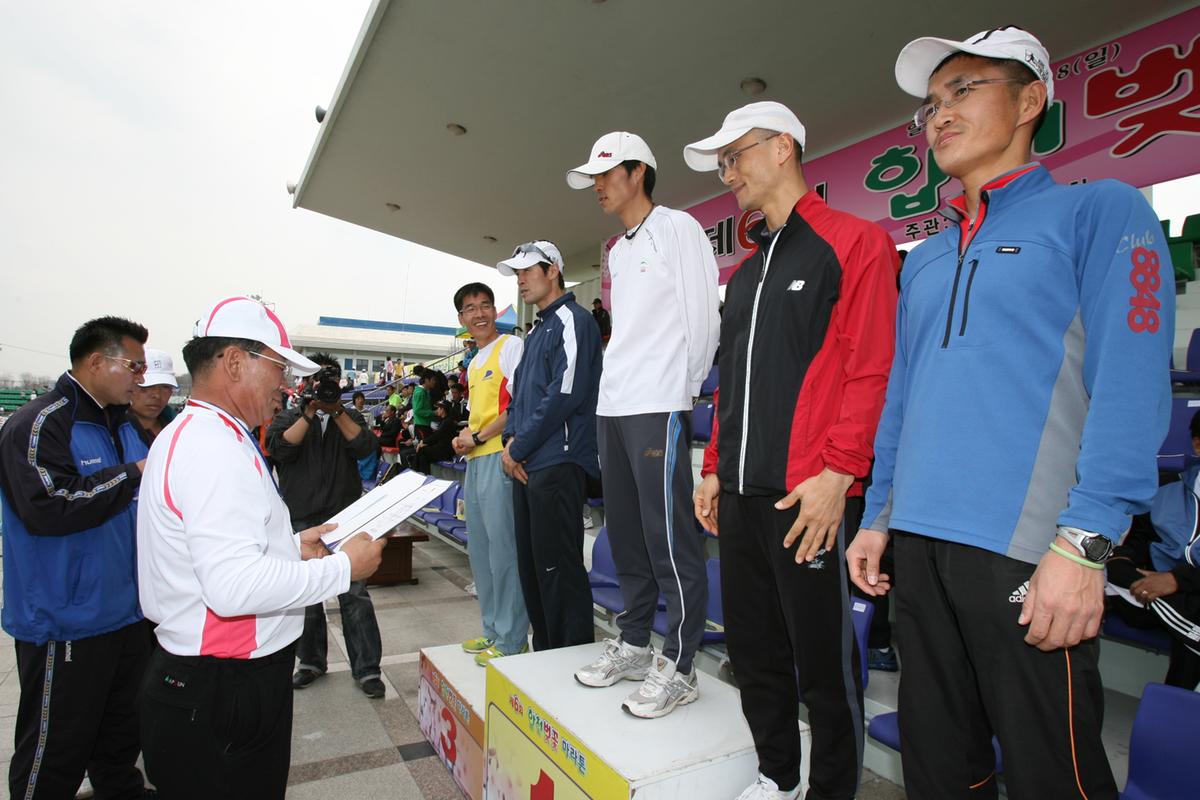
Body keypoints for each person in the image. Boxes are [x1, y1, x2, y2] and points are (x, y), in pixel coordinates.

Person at [846, 27, 1173, 799]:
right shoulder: (923, 256)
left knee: (1049, 775)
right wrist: (878, 517)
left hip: (1032, 552)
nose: (939, 116)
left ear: (1031, 101)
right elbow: (903, 397)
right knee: (942, 769)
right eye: (931, 105)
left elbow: (1131, 387)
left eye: (964, 91)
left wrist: (1085, 545)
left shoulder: (1100, 212)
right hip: (920, 546)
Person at [686, 101, 899, 800]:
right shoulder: (743, 275)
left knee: (825, 666)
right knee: (754, 654)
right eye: (722, 163)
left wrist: (839, 474)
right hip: (743, 498)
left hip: (809, 497)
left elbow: (871, 368)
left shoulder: (854, 242)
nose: (729, 173)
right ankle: (778, 778)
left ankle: (832, 790)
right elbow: (731, 382)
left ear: (782, 148)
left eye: (736, 155)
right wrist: (714, 467)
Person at [137, 297, 384, 799]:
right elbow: (232, 588)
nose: (287, 385)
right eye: (279, 368)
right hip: (222, 684)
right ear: (234, 361)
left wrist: (295, 547)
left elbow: (223, 549)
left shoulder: (197, 432)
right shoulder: (212, 448)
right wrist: (342, 567)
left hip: (212, 680)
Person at [566, 131, 721, 718]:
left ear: (638, 171)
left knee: (669, 538)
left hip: (660, 401)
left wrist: (683, 387)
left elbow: (704, 314)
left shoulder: (678, 227)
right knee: (626, 533)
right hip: (616, 403)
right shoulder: (617, 248)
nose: (598, 186)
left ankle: (680, 665)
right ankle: (633, 642)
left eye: (606, 174)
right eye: (594, 177)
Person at [0, 316, 155, 800]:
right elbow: (48, 508)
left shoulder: (126, 427)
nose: (141, 378)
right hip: (65, 620)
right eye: (134, 365)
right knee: (54, 751)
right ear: (95, 361)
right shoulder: (40, 424)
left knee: (119, 739)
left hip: (127, 614)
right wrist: (132, 474)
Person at [498, 240, 602, 652]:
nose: (521, 279)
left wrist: (517, 447)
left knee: (560, 570)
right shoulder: (539, 328)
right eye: (517, 273)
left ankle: (569, 656)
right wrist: (510, 445)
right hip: (528, 463)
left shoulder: (574, 320)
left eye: (528, 270)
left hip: (557, 464)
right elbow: (521, 400)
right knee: (533, 569)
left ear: (553, 270)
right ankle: (546, 657)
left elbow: (566, 392)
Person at [265, 353, 386, 699]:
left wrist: (335, 410)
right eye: (317, 378)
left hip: (343, 517)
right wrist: (308, 411)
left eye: (329, 378)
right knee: (307, 596)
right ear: (305, 382)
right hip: (301, 516)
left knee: (355, 593)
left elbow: (366, 448)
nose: (324, 384)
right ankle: (310, 662)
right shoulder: (287, 416)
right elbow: (281, 450)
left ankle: (367, 669)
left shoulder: (348, 416)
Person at [449, 282, 532, 665]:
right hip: (475, 461)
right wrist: (465, 438)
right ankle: (493, 632)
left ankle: (513, 638)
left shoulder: (510, 347)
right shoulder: (475, 360)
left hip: (499, 457)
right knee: (481, 551)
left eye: (485, 306)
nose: (479, 314)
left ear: (495, 311)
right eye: (470, 309)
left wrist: (478, 435)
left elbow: (518, 405)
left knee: (504, 553)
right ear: (462, 318)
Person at [1104, 412, 1200, 689]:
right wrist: (1125, 558)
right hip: (1146, 590)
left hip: (1185, 592)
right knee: (1108, 569)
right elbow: (1140, 539)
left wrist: (1175, 581)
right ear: (1197, 444)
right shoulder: (1166, 486)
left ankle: (1177, 709)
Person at [129, 346, 179, 446]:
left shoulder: (182, 429)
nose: (157, 395)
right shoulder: (110, 432)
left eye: (165, 387)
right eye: (147, 386)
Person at [408, 400, 458, 473]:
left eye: (438, 408)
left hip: (446, 451)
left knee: (421, 450)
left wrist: (423, 441)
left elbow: (437, 435)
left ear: (443, 410)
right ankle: (423, 476)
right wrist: (425, 443)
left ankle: (413, 473)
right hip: (440, 448)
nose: (437, 410)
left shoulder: (448, 421)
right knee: (423, 457)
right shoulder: (444, 421)